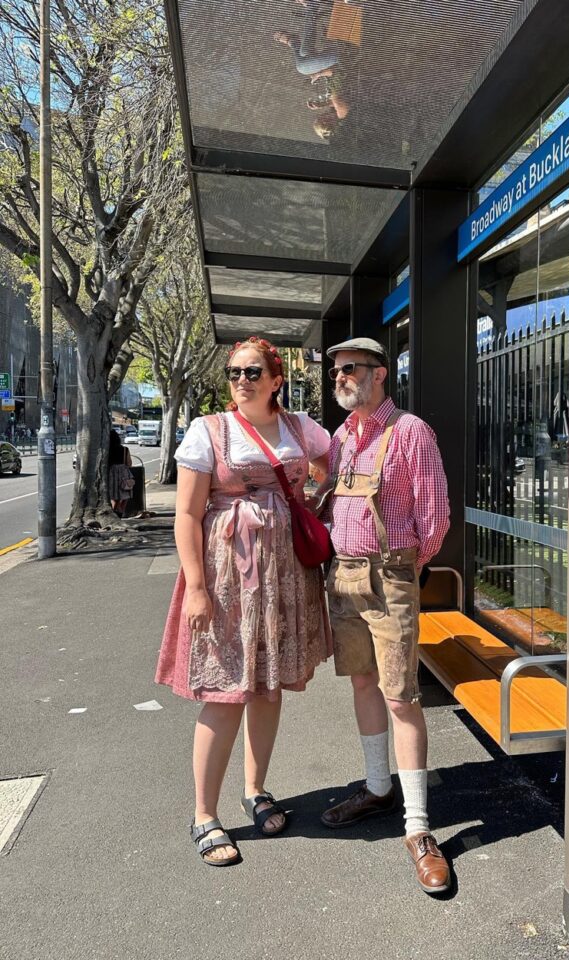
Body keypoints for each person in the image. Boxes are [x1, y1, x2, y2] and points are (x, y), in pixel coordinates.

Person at [155, 336, 333, 867]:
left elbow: (332, 466)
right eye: (234, 372)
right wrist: (197, 587)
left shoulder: (303, 428)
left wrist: (311, 502)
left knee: (268, 686)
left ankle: (256, 790)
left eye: (252, 372)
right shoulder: (209, 431)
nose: (241, 381)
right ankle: (204, 814)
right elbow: (186, 515)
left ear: (276, 379)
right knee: (225, 689)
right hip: (228, 577)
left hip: (285, 575)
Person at [316, 337, 452, 895]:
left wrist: (401, 571)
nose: (341, 379)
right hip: (343, 578)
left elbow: (436, 517)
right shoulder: (342, 439)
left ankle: (418, 827)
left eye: (350, 370)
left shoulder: (412, 432)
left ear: (380, 374)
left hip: (389, 576)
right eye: (336, 373)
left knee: (402, 695)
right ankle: (377, 787)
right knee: (364, 681)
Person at [108, 428, 133, 517]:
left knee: (114, 496)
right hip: (124, 475)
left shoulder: (107, 451)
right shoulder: (125, 449)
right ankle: (120, 511)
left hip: (111, 474)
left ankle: (115, 511)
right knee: (125, 494)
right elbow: (129, 463)